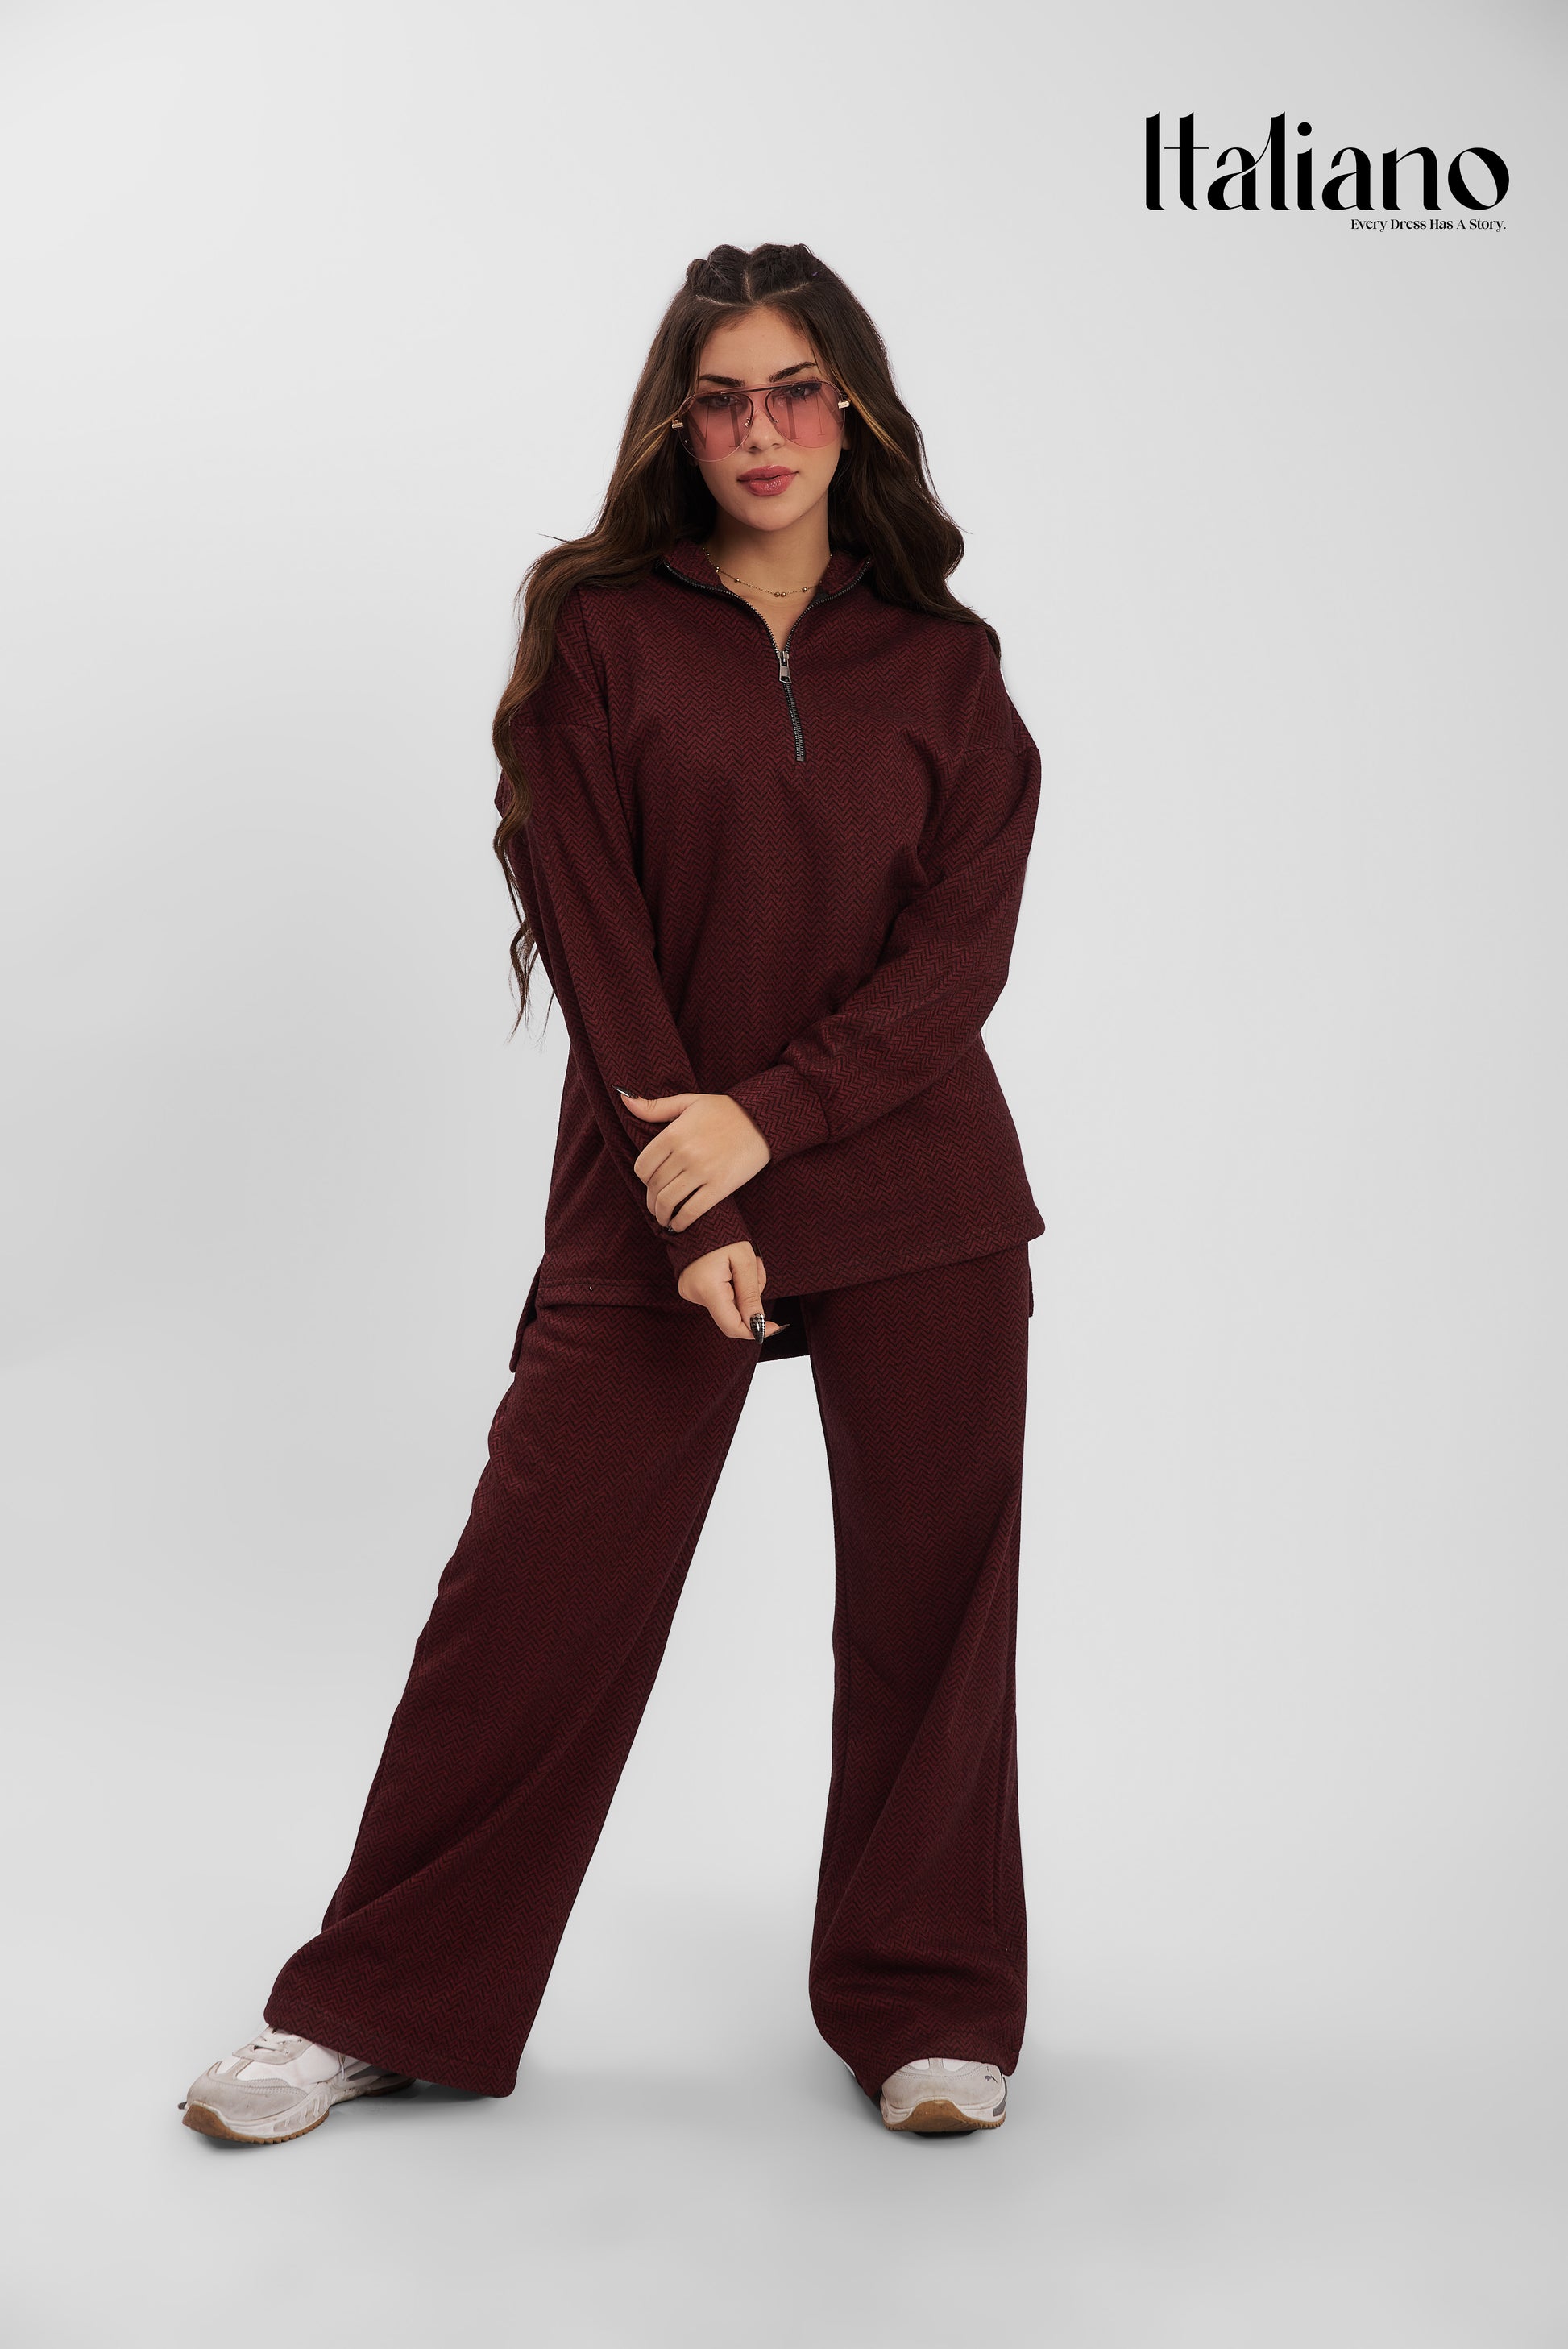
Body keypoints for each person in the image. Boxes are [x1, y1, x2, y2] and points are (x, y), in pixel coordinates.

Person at [180, 241, 1044, 2147]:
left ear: (855, 413)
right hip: (656, 1189)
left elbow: (955, 962)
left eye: (796, 391)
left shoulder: (948, 668)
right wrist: (700, 1196)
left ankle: (929, 2007)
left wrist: (777, 1120)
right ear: (677, 425)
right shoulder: (601, 635)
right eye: (721, 398)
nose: (761, 431)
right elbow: (597, 937)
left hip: (920, 1191)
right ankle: (374, 2004)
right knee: (532, 1597)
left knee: (932, 1607)